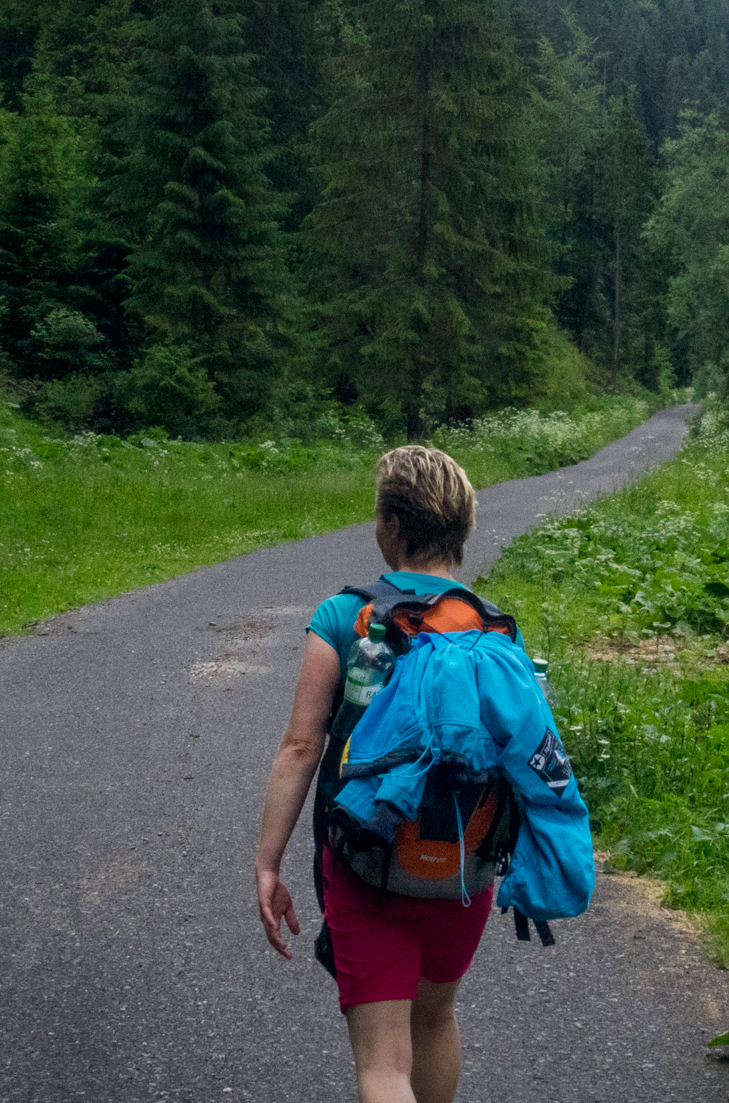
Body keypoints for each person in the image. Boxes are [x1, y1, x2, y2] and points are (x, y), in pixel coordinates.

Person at [255, 444, 491, 1103]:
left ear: (391, 523)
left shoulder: (343, 617)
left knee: (384, 1063)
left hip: (366, 862)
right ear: (461, 527)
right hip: (463, 868)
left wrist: (267, 859)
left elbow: (302, 745)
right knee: (436, 1015)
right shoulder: (492, 627)